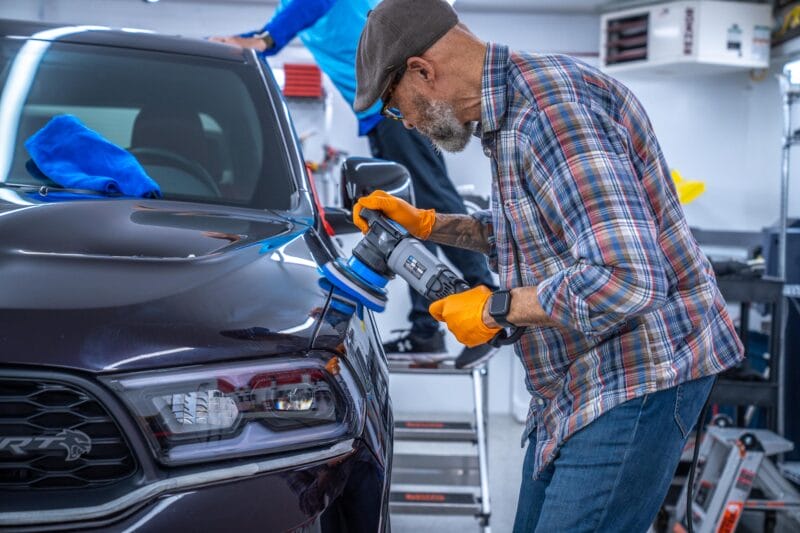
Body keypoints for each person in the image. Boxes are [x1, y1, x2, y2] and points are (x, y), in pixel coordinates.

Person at [351, 0, 745, 530]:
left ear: (423, 71)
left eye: (400, 108)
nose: (411, 124)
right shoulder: (512, 110)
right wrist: (428, 224)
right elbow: (536, 229)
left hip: (638, 373)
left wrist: (495, 308)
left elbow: (627, 279)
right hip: (574, 378)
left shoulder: (552, 115)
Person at [210, 0, 497, 365]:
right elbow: (277, 28)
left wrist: (265, 41)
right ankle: (427, 327)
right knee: (412, 213)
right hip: (383, 114)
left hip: (400, 103)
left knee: (430, 202)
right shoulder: (290, 10)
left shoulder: (301, 7)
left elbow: (305, 9)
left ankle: (487, 303)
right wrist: (237, 44)